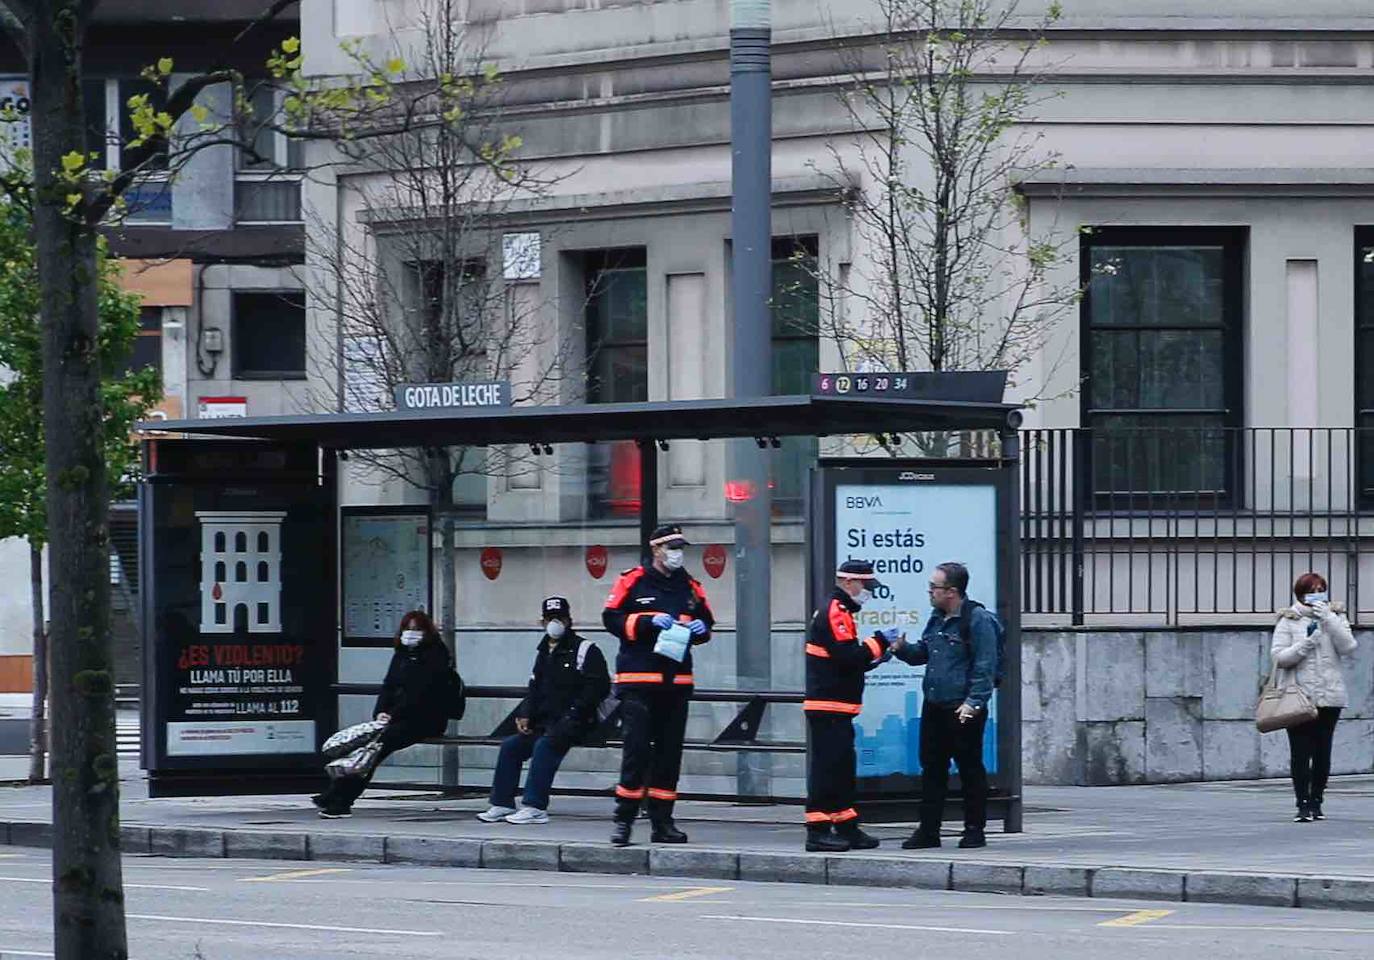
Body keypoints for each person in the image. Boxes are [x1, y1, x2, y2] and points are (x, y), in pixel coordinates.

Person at [603, 523, 714, 846]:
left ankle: (662, 822)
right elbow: (611, 618)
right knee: (636, 751)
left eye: (680, 548)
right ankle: (623, 820)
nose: (677, 554)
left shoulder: (690, 586)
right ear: (656, 550)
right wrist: (645, 621)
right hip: (638, 682)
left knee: (669, 755)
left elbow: (707, 623)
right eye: (671, 548)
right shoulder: (633, 580)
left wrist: (699, 628)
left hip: (676, 683)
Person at [891, 561, 997, 850]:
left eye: (933, 587)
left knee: (969, 768)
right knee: (932, 768)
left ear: (951, 591)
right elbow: (924, 653)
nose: (929, 592)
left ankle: (974, 829)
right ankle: (929, 830)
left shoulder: (978, 620)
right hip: (935, 705)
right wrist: (903, 650)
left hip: (962, 708)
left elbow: (985, 665)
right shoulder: (936, 618)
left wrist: (973, 703)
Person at [477, 597, 611, 824]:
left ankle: (535, 806)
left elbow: (597, 688)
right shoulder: (543, 652)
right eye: (550, 619)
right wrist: (526, 713)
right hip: (546, 721)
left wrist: (573, 714)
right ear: (542, 622)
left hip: (576, 721)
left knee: (545, 745)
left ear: (569, 620)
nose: (554, 623)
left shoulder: (585, 649)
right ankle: (501, 803)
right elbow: (535, 687)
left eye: (559, 618)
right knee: (511, 747)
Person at [314, 610, 453, 819]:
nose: (411, 633)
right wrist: (380, 712)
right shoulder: (402, 653)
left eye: (416, 629)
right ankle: (336, 796)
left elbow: (420, 692)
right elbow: (388, 685)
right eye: (408, 628)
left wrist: (392, 715)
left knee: (375, 749)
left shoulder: (436, 654)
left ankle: (339, 799)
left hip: (424, 719)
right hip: (396, 719)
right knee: (366, 749)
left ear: (426, 631)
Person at [803, 559, 897, 852]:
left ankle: (846, 826)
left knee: (842, 768)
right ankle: (817, 831)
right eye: (865, 585)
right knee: (828, 768)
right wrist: (879, 642)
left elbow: (843, 663)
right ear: (847, 582)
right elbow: (846, 657)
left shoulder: (841, 611)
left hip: (837, 705)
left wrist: (874, 658)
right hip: (828, 704)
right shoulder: (836, 611)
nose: (867, 592)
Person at [1272, 571, 1357, 823]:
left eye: (1321, 589)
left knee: (1322, 751)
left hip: (1329, 696)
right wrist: (1306, 644)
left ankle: (1317, 800)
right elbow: (1279, 657)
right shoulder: (1289, 619)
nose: (1317, 594)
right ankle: (1302, 803)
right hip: (1299, 696)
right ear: (1301, 593)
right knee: (1300, 752)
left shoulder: (1336, 616)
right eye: (1312, 590)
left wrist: (1329, 619)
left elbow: (1349, 647)